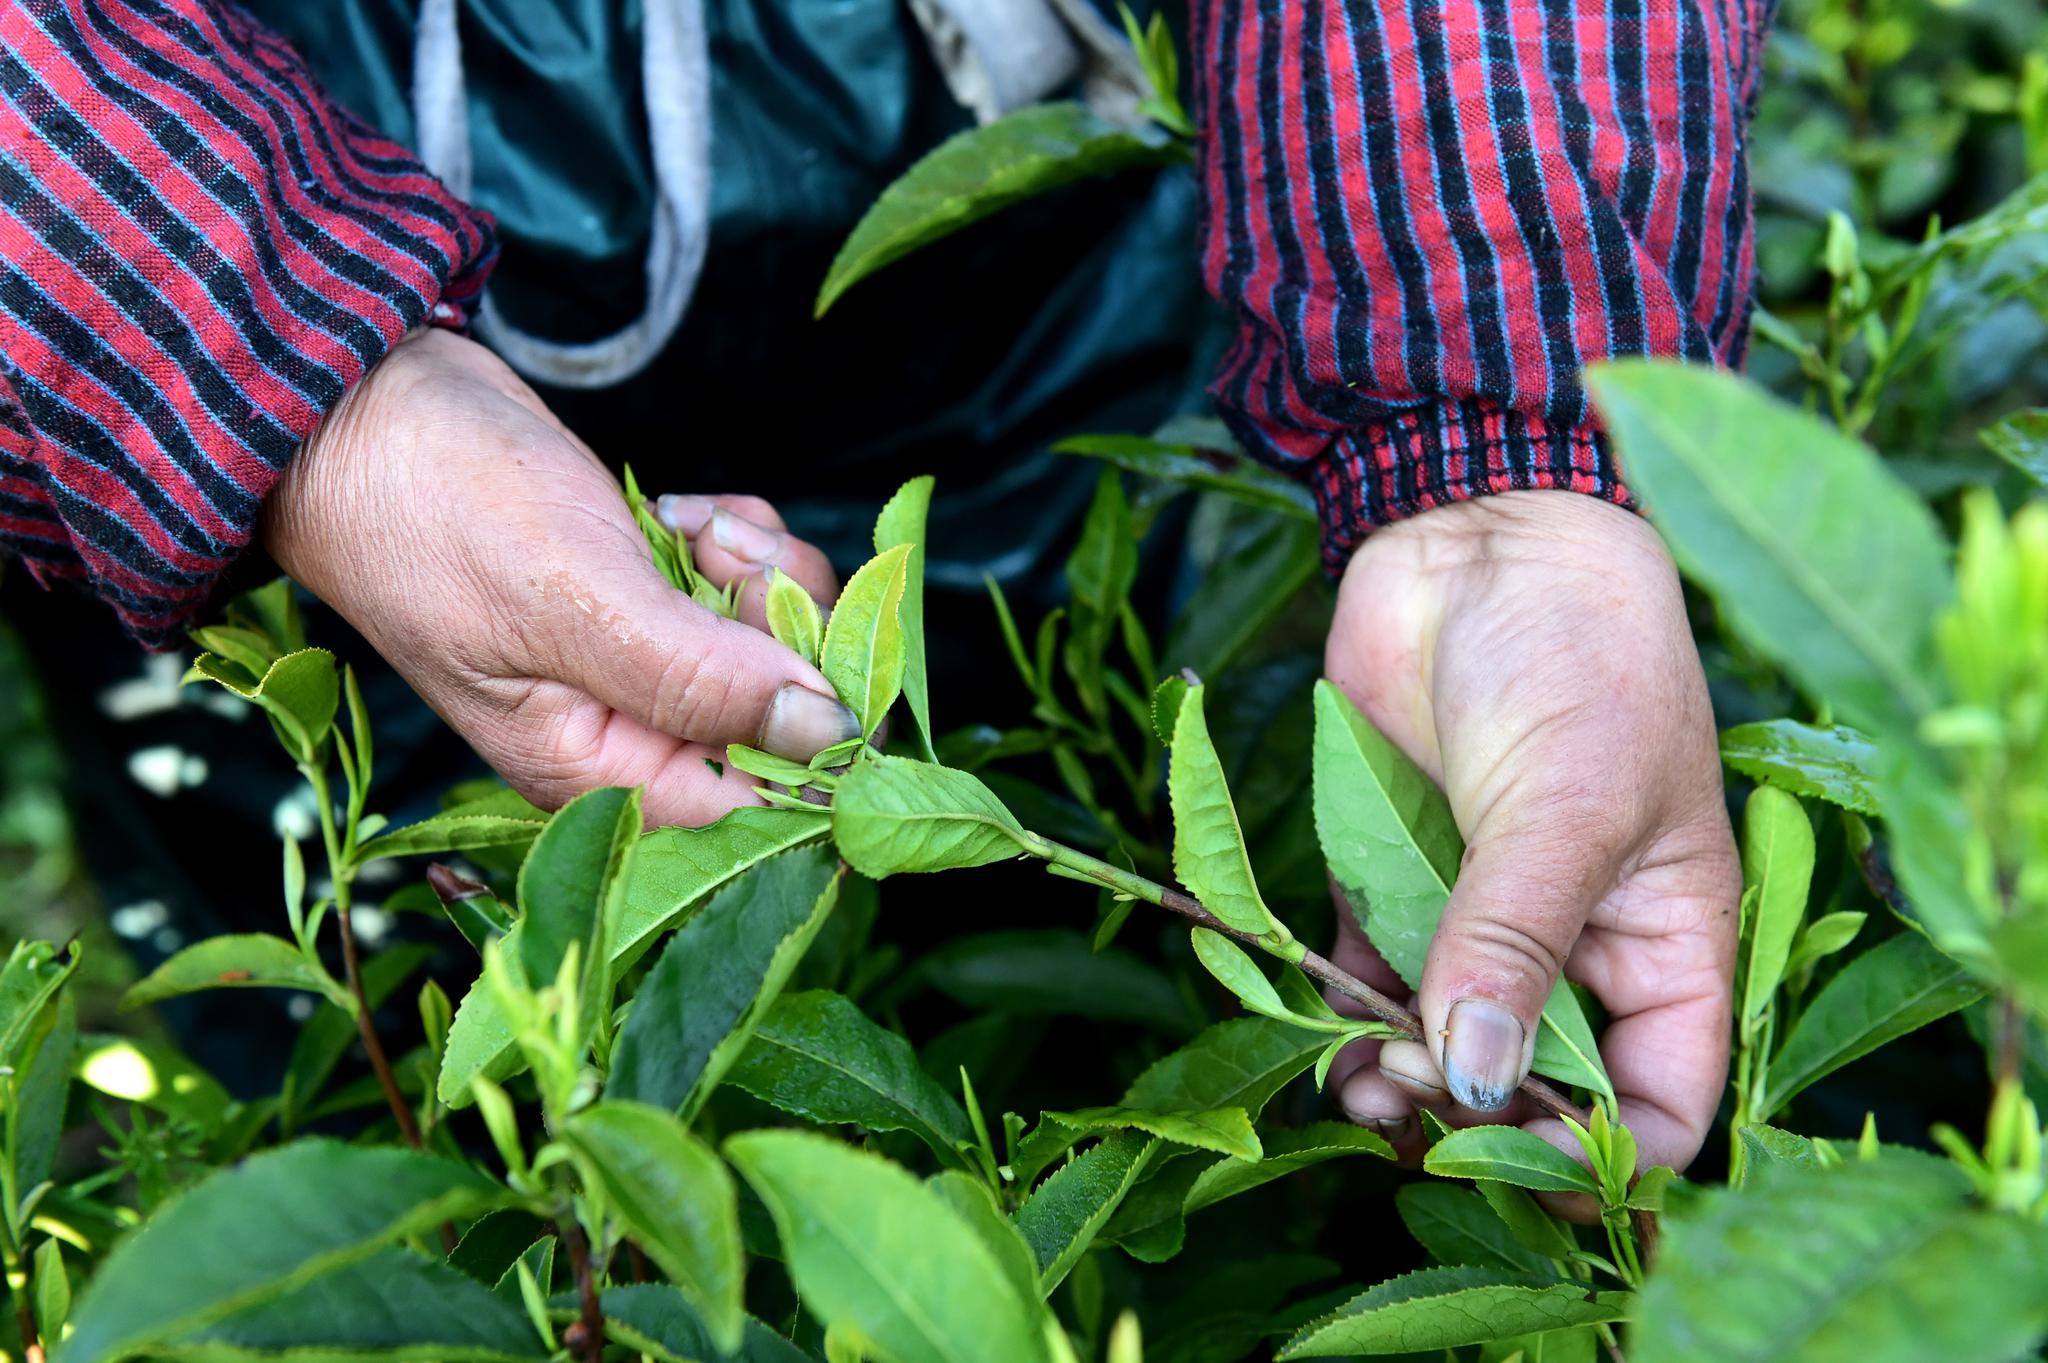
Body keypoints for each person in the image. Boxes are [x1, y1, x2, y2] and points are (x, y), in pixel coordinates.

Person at [0, 0, 1748, 1179]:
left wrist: (1502, 434)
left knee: (1029, 838)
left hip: (980, 194)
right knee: (375, 950)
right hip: (182, 130)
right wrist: (237, 352)